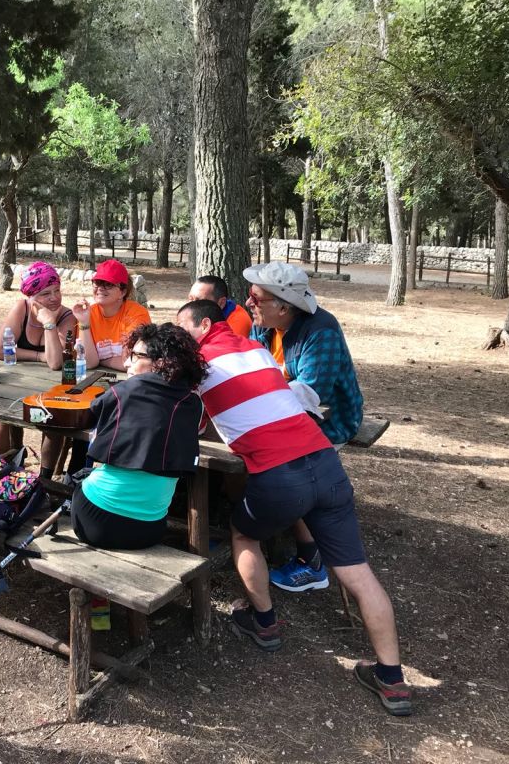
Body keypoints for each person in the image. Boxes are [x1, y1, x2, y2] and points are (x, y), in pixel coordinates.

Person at [176, 299, 412, 716]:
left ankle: (264, 623)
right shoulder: (257, 348)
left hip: (278, 475)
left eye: (183, 328)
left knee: (244, 533)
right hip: (325, 462)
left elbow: (190, 421)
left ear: (204, 325)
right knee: (358, 573)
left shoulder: (198, 363)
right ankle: (392, 680)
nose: (180, 337)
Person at [243, 261, 365, 594]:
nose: (249, 303)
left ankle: (312, 560)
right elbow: (251, 367)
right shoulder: (263, 325)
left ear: (284, 307)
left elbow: (311, 394)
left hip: (330, 420)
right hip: (277, 416)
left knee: (286, 470)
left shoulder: (320, 330)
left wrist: (255, 397)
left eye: (256, 297)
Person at [70, 323, 204, 549]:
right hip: (150, 529)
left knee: (80, 477)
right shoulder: (194, 403)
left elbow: (90, 414)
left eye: (135, 356)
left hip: (94, 520)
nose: (126, 363)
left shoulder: (125, 390)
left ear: (161, 363)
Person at [0, 262, 78, 476]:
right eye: (45, 294)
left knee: (53, 423)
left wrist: (49, 323)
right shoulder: (21, 308)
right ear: (31, 297)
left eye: (57, 290)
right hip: (21, 383)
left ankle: (45, 479)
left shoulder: (67, 317)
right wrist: (39, 356)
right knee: (4, 415)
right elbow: (1, 351)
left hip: (54, 389)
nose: (54, 298)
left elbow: (55, 362)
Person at [71, 259, 151, 372]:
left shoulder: (137, 314)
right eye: (97, 282)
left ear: (123, 292)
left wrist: (102, 360)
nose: (100, 288)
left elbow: (134, 362)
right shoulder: (87, 314)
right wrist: (84, 323)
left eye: (108, 284)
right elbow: (87, 363)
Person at [188, 274, 252, 337]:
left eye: (200, 302)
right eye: (191, 299)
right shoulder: (193, 314)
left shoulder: (238, 322)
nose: (191, 306)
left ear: (221, 303)